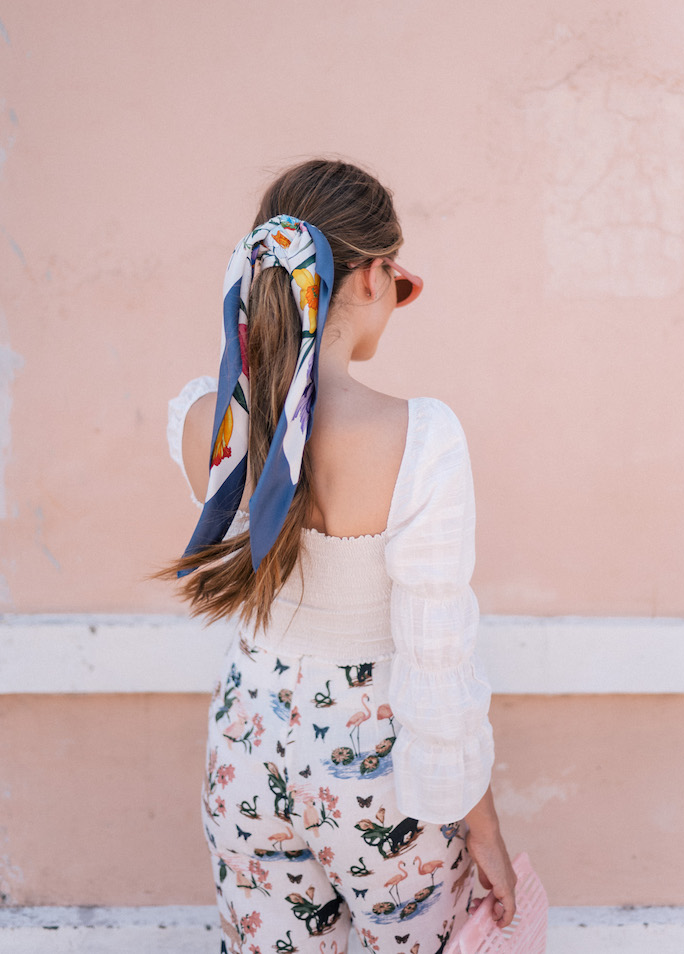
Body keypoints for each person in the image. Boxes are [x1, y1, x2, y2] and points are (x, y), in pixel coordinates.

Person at [162, 159, 516, 954]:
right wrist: (481, 821)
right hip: (378, 769)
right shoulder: (421, 439)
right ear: (371, 277)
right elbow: (437, 655)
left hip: (246, 752)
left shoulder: (203, 422)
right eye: (399, 275)